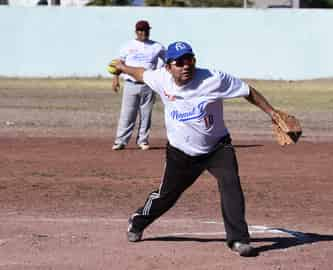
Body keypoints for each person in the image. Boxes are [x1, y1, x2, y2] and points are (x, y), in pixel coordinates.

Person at [113, 41, 281, 257]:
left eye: (190, 60)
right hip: (180, 153)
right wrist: (122, 67)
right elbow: (140, 73)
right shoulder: (160, 78)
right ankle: (138, 221)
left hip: (217, 147)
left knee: (231, 184)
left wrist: (272, 112)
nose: (186, 66)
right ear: (168, 67)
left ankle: (238, 240)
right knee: (166, 195)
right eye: (179, 62)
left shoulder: (214, 79)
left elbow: (248, 91)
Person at [111, 20, 165, 151]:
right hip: (131, 83)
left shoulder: (157, 46)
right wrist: (115, 78)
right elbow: (118, 63)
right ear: (136, 31)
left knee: (146, 114)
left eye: (146, 30)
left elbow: (166, 61)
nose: (143, 33)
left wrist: (159, 74)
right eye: (140, 30)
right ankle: (121, 141)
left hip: (148, 84)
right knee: (127, 114)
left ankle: (143, 141)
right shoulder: (127, 46)